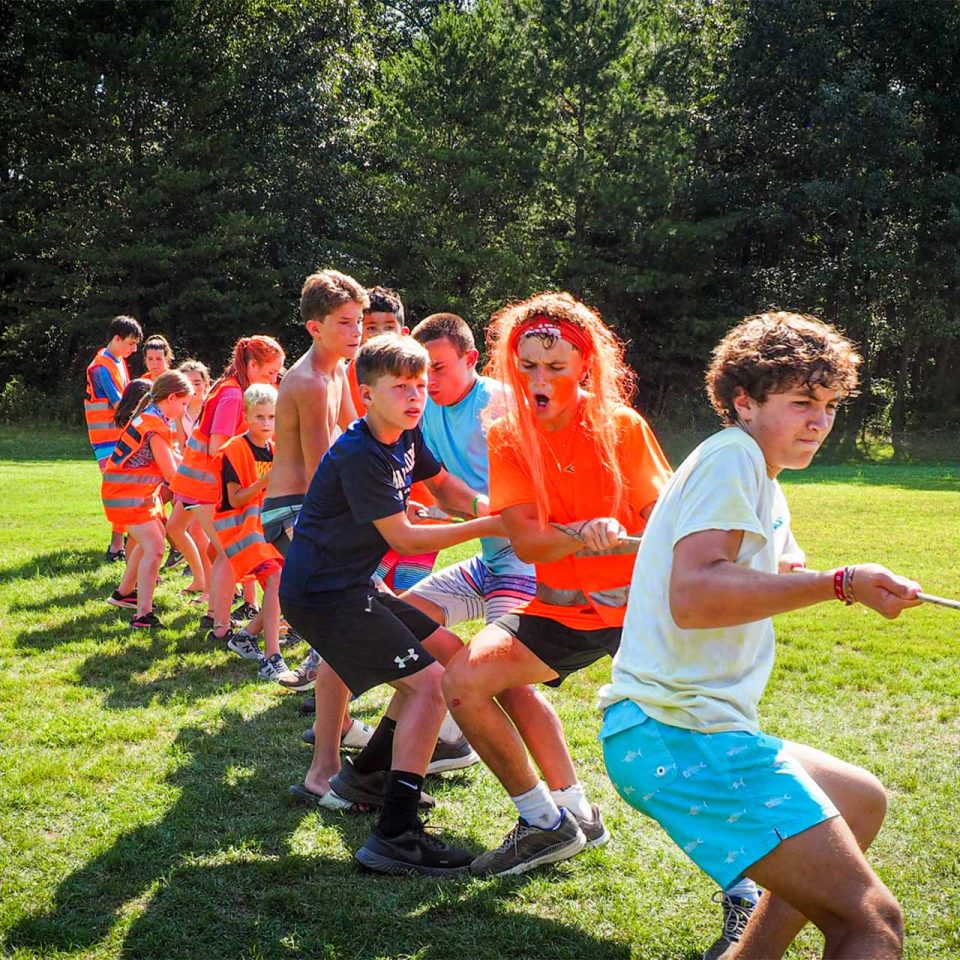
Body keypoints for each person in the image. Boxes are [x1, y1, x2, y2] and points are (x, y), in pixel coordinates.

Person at [599, 312, 919, 960]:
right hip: (676, 731)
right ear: (742, 401)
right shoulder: (733, 459)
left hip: (686, 727)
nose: (819, 422)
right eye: (802, 402)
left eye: (829, 405)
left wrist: (825, 579)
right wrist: (840, 583)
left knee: (858, 801)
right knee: (873, 925)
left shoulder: (759, 477)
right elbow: (694, 597)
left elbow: (755, 573)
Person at [441, 292, 672, 876]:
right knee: (464, 682)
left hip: (639, 615)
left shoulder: (621, 427)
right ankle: (550, 821)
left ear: (586, 366)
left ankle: (746, 887)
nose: (538, 380)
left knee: (684, 749)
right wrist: (579, 533)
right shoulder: (508, 436)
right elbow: (528, 542)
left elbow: (666, 521)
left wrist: (627, 529)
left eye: (555, 368)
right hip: (560, 613)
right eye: (527, 368)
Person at [280, 334, 503, 875]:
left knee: (450, 657)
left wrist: (489, 507)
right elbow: (403, 539)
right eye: (400, 387)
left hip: (354, 586)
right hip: (323, 595)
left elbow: (446, 488)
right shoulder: (362, 452)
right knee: (430, 686)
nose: (414, 397)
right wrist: (493, 525)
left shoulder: (406, 436)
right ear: (365, 395)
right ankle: (395, 836)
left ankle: (367, 778)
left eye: (421, 386)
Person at [167, 335, 284, 637]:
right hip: (206, 486)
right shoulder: (234, 395)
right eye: (271, 373)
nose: (274, 380)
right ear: (253, 365)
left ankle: (216, 617)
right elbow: (218, 447)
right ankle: (220, 624)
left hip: (202, 484)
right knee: (231, 554)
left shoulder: (233, 386)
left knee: (223, 553)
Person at [101, 371, 194, 628]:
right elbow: (170, 473)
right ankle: (143, 616)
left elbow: (174, 462)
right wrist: (196, 486)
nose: (184, 410)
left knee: (147, 542)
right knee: (155, 547)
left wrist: (193, 471)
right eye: (184, 403)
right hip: (128, 496)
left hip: (126, 495)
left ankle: (124, 593)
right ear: (172, 398)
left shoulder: (152, 418)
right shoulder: (154, 426)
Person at [215, 384, 288, 681]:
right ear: (246, 416)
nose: (267, 424)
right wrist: (265, 481)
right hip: (239, 531)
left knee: (287, 583)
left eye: (272, 417)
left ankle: (246, 636)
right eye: (260, 417)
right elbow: (235, 499)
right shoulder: (233, 449)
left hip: (264, 529)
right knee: (277, 578)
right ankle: (272, 657)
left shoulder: (275, 448)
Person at [84, 314, 143, 561]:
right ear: (117, 339)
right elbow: (119, 403)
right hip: (106, 439)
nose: (133, 349)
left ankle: (119, 545)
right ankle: (117, 546)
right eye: (131, 344)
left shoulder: (117, 361)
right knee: (120, 490)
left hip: (119, 436)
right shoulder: (100, 368)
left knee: (125, 489)